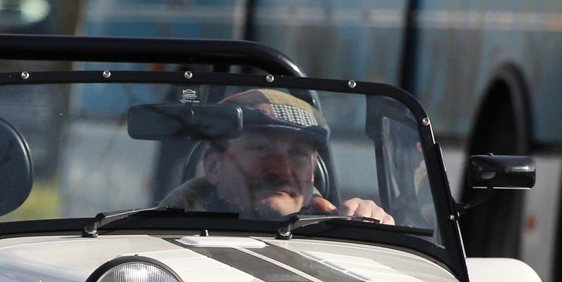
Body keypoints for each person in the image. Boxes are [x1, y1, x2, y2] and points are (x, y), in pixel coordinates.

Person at [159, 88, 394, 222]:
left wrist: (373, 230)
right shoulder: (163, 246)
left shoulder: (336, 236)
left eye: (297, 153)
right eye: (261, 148)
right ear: (213, 166)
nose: (281, 169)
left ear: (312, 173)